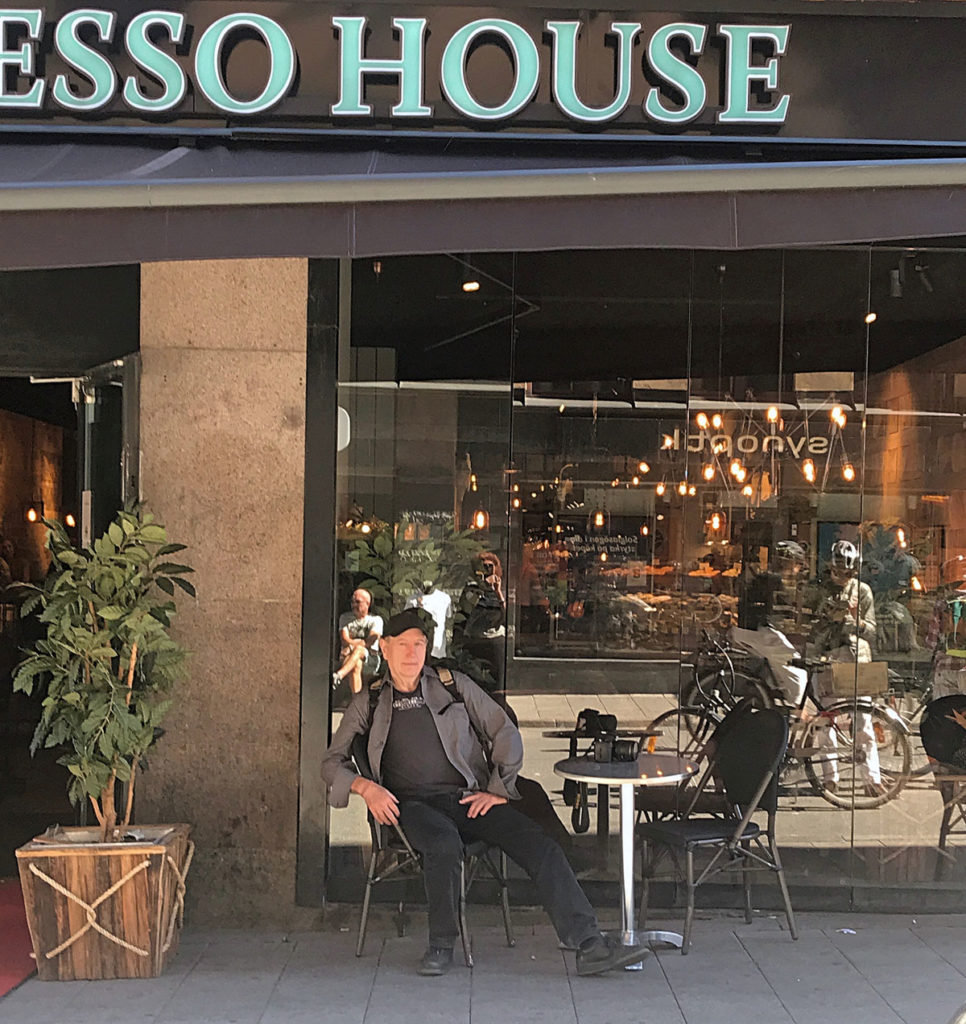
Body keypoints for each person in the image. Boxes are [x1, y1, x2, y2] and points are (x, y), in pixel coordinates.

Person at [321, 609, 647, 977]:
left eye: (419, 644)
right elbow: (331, 763)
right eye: (402, 645)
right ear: (384, 647)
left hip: (467, 798)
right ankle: (441, 945)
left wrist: (499, 789)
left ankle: (589, 944)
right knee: (443, 845)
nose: (412, 653)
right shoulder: (370, 700)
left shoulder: (451, 683)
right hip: (409, 806)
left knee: (539, 843)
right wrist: (366, 788)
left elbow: (503, 729)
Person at [809, 539, 884, 797]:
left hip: (857, 659)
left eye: (848, 572)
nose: (842, 576)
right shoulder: (819, 590)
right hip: (828, 658)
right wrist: (824, 620)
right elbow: (808, 627)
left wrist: (853, 622)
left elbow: (873, 631)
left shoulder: (862, 591)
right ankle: (830, 777)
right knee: (825, 721)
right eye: (837, 570)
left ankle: (871, 777)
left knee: (863, 721)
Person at [453, 552, 506, 691]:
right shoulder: (473, 588)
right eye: (485, 566)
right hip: (476, 640)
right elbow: (467, 610)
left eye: (491, 566)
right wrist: (483, 585)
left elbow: (507, 615)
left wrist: (498, 593)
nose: (488, 570)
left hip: (495, 641)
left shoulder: (500, 588)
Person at [334, 588, 383, 693]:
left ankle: (339, 675)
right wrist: (360, 643)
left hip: (370, 660)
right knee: (356, 663)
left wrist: (351, 647)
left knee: (360, 650)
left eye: (357, 602)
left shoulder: (376, 620)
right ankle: (357, 702)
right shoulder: (345, 618)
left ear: (367, 604)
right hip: (348, 659)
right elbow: (344, 640)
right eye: (352, 602)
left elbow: (371, 641)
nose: (353, 605)